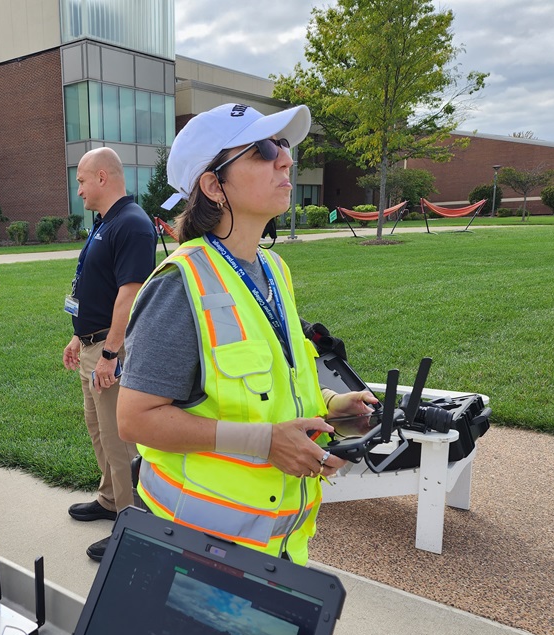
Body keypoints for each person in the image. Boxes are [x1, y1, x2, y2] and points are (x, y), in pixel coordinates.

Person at [117, 103, 377, 565]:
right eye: (262, 150)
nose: (285, 159)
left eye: (283, 146)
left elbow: (273, 384)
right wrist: (265, 442)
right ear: (214, 185)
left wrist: (331, 408)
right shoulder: (179, 285)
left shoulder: (274, 268)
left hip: (276, 547)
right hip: (195, 548)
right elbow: (134, 420)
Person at [63, 147, 157, 561]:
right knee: (98, 429)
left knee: (120, 441)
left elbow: (129, 293)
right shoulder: (106, 222)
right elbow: (92, 285)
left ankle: (133, 522)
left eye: (82, 180)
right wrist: (77, 336)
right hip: (91, 343)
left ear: (103, 177)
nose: (78, 188)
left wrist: (110, 353)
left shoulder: (132, 225)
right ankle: (108, 499)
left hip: (108, 349)